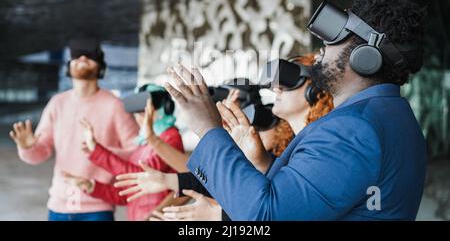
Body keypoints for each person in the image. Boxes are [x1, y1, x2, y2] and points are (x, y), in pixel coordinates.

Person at [116, 0, 427, 220]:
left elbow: (267, 217)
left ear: (366, 56)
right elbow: (308, 199)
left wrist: (207, 128)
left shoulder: (353, 130)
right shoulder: (392, 116)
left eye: (336, 35)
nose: (323, 47)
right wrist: (262, 162)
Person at [117, 55, 334, 221]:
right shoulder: (297, 144)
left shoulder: (318, 146)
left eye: (290, 80)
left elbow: (279, 210)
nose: (276, 88)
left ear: (316, 92)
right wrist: (168, 181)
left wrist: (218, 215)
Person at [9, 38, 139, 221]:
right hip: (59, 205)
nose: (83, 58)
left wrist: (100, 152)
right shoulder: (57, 103)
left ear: (101, 66)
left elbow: (136, 153)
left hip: (98, 206)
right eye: (76, 55)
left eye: (90, 56)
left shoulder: (115, 106)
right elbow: (40, 154)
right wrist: (28, 147)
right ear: (68, 65)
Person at [63, 84, 186, 221]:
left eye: (147, 108)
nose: (140, 115)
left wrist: (97, 152)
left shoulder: (170, 137)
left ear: (166, 107)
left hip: (158, 217)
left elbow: (139, 175)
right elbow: (129, 192)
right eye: (138, 110)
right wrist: (91, 186)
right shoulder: (143, 141)